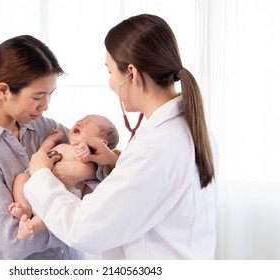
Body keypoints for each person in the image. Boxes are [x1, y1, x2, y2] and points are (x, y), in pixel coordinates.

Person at [23, 14, 218, 259]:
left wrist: (40, 174)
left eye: (110, 71)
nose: (111, 83)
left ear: (132, 74)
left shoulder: (156, 148)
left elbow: (84, 229)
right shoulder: (191, 131)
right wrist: (113, 161)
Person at [0, 35, 96, 260]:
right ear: (3, 91)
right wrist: (76, 223)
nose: (46, 106)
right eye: (38, 97)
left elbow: (101, 162)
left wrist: (86, 171)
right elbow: (13, 242)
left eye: (50, 95)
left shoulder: (46, 128)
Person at [8, 114, 119, 240]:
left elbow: (100, 169)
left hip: (64, 194)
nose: (80, 121)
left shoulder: (90, 155)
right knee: (20, 179)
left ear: (101, 143)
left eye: (88, 122)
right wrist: (52, 139)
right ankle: (25, 209)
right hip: (36, 183)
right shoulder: (63, 145)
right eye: (81, 119)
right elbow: (42, 152)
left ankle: (30, 227)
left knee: (50, 214)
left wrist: (86, 150)